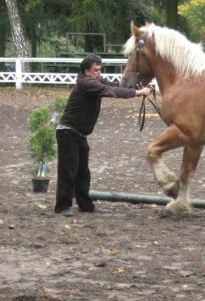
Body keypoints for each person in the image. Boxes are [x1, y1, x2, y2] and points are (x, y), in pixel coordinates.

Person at [54, 54, 152, 217]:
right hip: (68, 132)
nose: (99, 73)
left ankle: (85, 205)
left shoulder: (94, 80)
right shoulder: (86, 83)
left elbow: (115, 85)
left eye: (100, 70)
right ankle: (62, 206)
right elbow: (111, 91)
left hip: (78, 133)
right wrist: (138, 92)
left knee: (83, 172)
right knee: (68, 171)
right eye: (96, 70)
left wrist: (137, 88)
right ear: (87, 71)